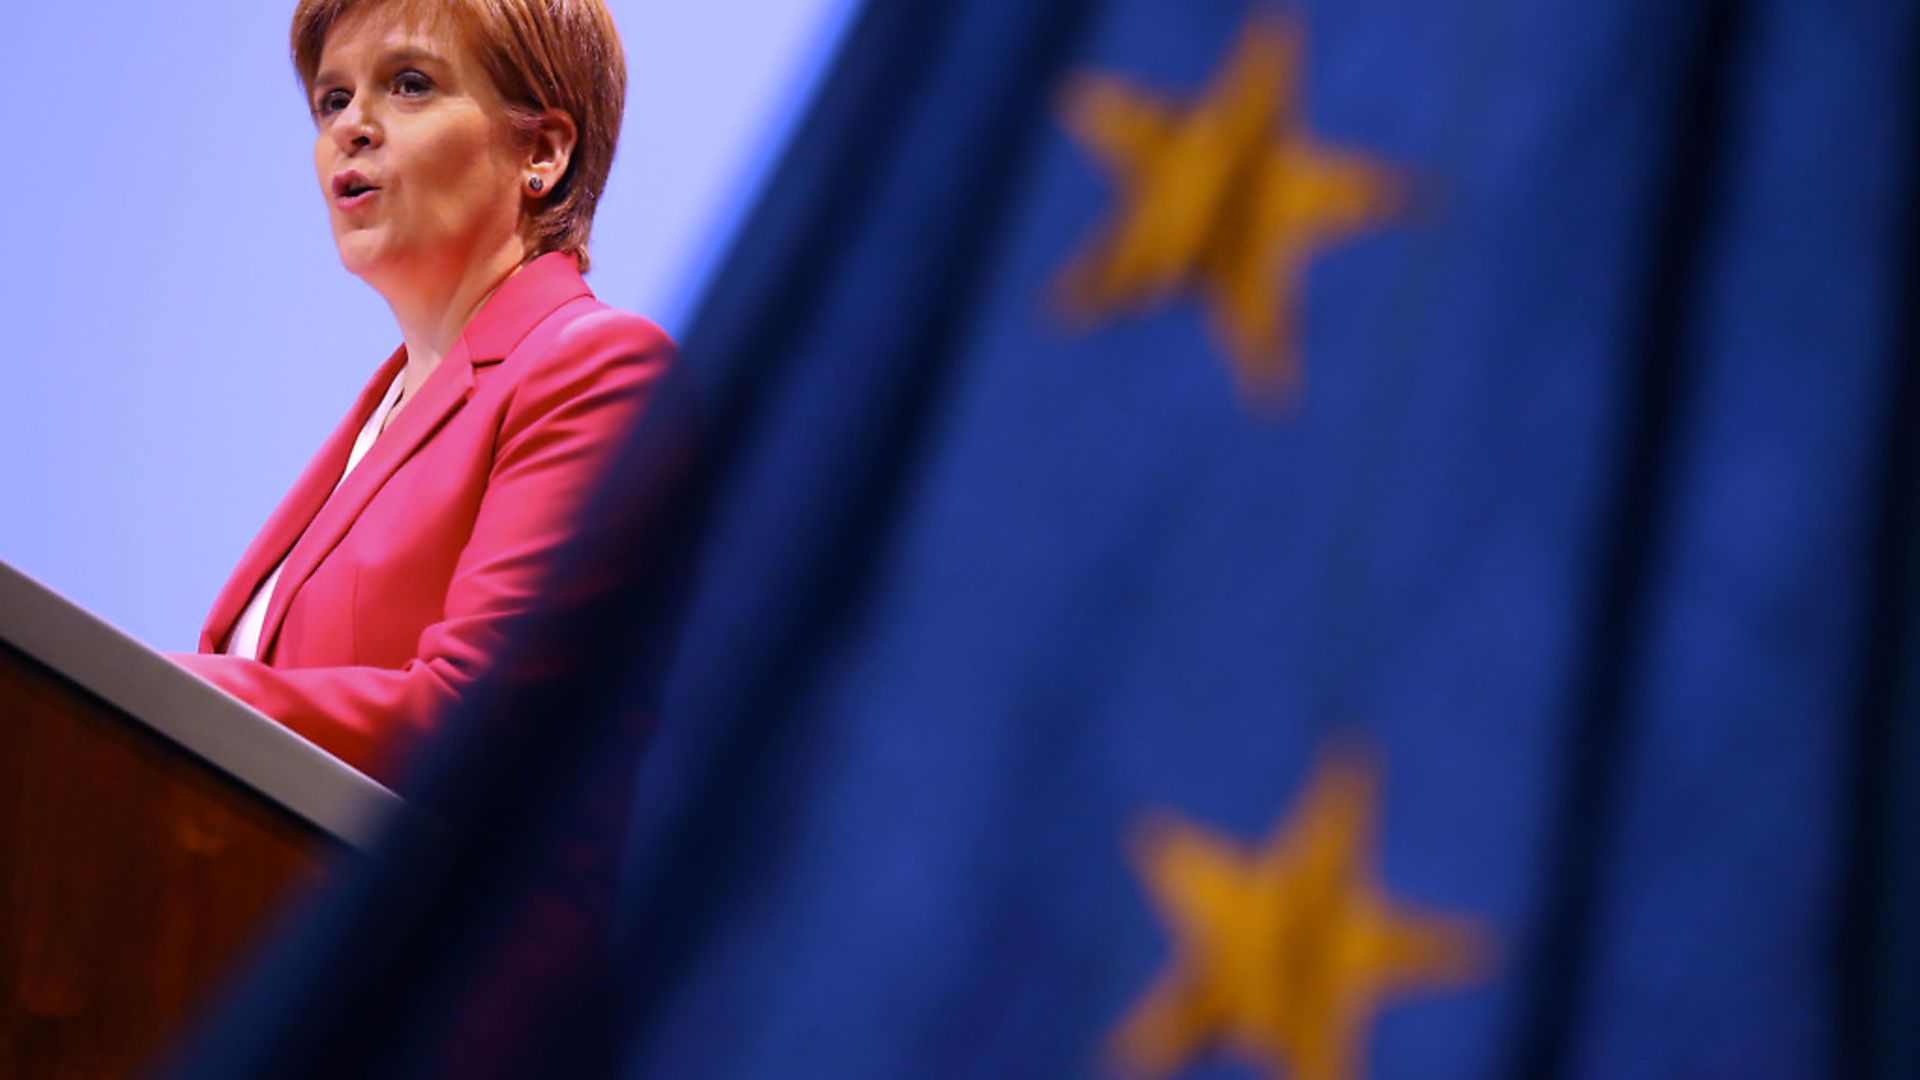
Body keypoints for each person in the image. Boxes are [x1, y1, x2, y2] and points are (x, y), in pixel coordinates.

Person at [172, 0, 671, 785]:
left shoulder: (599, 369)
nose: (352, 126)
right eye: (333, 99)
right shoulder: (379, 416)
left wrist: (157, 688)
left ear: (542, 150)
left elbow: (481, 712)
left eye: (407, 84)